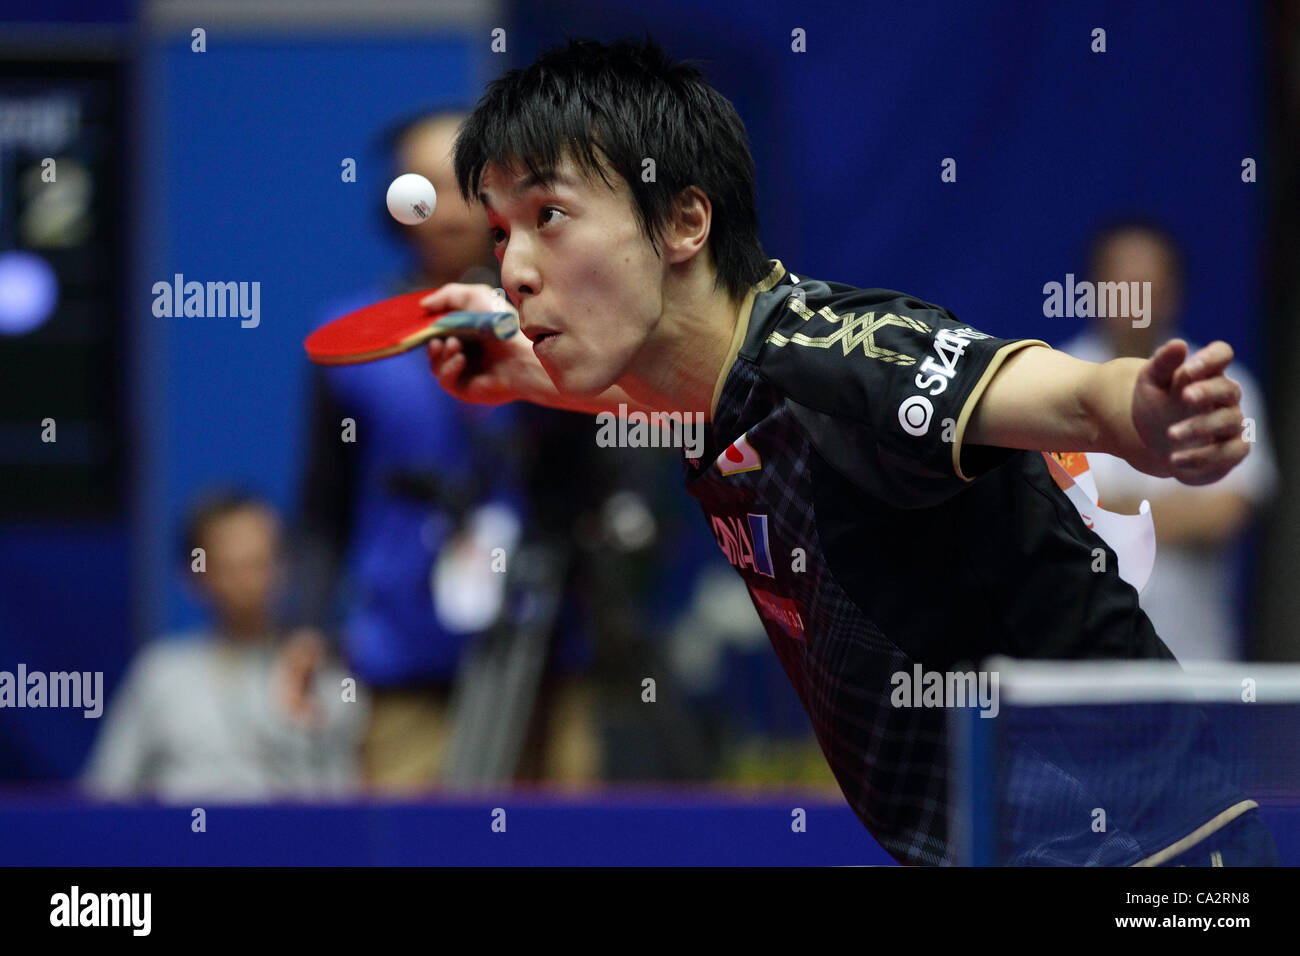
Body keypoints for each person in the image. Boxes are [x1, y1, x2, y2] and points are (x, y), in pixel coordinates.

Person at [419, 38, 1275, 865]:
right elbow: (674, 399)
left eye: (550, 215)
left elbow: (1059, 393)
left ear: (684, 219)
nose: (516, 269)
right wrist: (529, 376)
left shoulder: (842, 358)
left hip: (1152, 851)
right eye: (500, 233)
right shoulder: (720, 382)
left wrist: (1138, 415)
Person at [295, 110, 599, 790]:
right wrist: (307, 625)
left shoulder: (569, 322)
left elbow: (612, 467)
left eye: (472, 185)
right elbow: (324, 502)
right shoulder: (347, 342)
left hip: (543, 648)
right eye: (423, 186)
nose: (449, 207)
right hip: (403, 657)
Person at [1059, 221, 1278, 660]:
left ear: (1174, 290)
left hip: (1194, 663)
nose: (1137, 302)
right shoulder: (1051, 380)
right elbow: (1051, 518)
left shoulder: (1224, 385)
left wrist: (1105, 508)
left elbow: (1224, 515)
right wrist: (1170, 509)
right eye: (1123, 286)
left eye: (1150, 286)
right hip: (1077, 669)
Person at [82, 491, 366, 802]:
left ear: (284, 566)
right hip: (184, 846)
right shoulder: (160, 675)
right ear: (196, 574)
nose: (248, 581)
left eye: (260, 562)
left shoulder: (327, 675)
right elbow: (104, 796)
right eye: (231, 565)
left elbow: (351, 804)